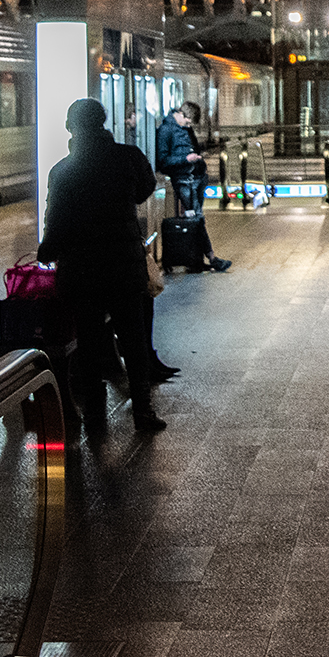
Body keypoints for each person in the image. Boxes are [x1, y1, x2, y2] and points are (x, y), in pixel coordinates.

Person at [39, 98, 167, 434]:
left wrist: (47, 250)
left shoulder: (63, 170)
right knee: (134, 339)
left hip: (81, 270)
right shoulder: (128, 158)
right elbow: (146, 189)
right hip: (123, 267)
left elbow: (56, 220)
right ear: (104, 122)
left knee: (89, 344)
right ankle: (143, 413)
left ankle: (95, 418)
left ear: (70, 127)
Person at [156, 102, 230, 272]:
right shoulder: (166, 131)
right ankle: (211, 257)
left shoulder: (185, 129)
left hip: (195, 177)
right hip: (183, 178)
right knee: (197, 218)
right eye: (188, 122)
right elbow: (163, 160)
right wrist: (185, 160)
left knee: (195, 219)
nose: (189, 126)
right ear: (181, 114)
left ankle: (196, 259)